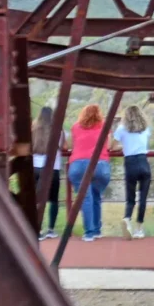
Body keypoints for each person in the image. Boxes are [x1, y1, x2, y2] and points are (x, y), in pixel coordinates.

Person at [67, 103, 112, 242]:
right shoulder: (104, 126)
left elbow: (69, 145)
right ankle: (97, 230)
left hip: (78, 165)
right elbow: (109, 146)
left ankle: (89, 233)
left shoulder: (75, 127)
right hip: (100, 165)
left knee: (85, 198)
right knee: (96, 196)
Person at [112, 105, 151, 239]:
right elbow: (144, 144)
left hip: (130, 163)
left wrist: (124, 146)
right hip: (144, 162)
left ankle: (127, 218)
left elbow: (112, 146)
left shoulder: (122, 129)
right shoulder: (146, 128)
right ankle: (139, 228)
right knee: (143, 197)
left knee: (130, 197)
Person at [31, 106, 65, 240]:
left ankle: (37, 229)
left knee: (36, 200)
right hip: (52, 168)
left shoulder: (33, 129)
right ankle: (50, 229)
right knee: (53, 200)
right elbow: (64, 146)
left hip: (35, 167)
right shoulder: (58, 131)